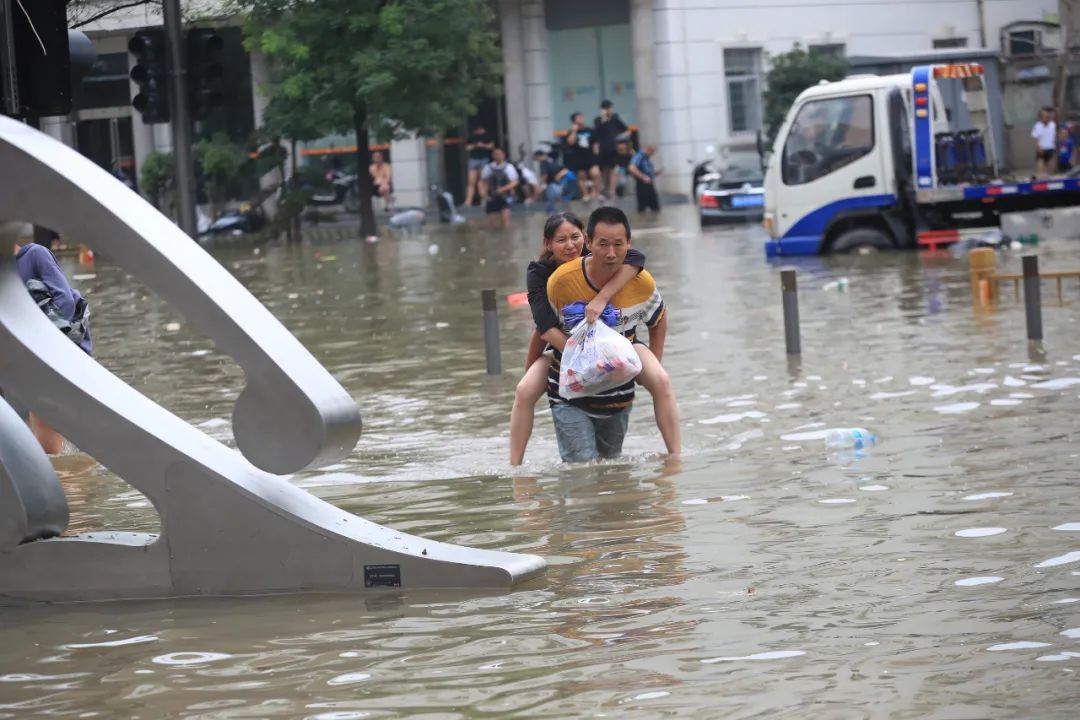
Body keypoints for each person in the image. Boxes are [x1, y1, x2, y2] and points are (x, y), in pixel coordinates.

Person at [508, 208, 680, 464]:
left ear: (584, 239)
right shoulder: (544, 276)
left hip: (621, 342)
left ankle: (676, 458)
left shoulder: (606, 255)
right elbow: (542, 329)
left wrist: (602, 297)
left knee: (661, 379)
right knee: (524, 390)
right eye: (561, 240)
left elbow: (637, 259)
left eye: (574, 237)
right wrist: (581, 355)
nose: (570, 246)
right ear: (548, 245)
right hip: (564, 345)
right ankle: (515, 466)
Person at [13, 235, 92, 454]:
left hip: (55, 353)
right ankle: (69, 480)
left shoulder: (34, 255)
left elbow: (64, 301)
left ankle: (71, 481)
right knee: (44, 432)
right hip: (27, 361)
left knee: (52, 424)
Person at [593, 100, 629, 200]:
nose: (609, 110)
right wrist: (603, 119)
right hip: (602, 149)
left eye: (610, 108)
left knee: (613, 170)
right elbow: (596, 132)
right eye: (606, 108)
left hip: (613, 148)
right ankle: (605, 189)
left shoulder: (615, 119)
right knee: (603, 170)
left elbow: (626, 130)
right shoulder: (598, 120)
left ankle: (612, 191)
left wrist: (619, 138)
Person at [565, 112, 601, 202]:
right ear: (574, 121)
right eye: (578, 118)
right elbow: (570, 142)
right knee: (582, 176)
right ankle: (585, 195)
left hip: (590, 156)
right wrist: (574, 131)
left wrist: (596, 156)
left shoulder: (590, 130)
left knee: (595, 174)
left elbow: (595, 144)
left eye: (581, 117)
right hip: (578, 157)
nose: (581, 119)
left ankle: (597, 193)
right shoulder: (571, 131)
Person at [480, 147, 519, 228]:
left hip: (505, 196)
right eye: (495, 154)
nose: (498, 156)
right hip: (492, 196)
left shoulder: (509, 167)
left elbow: (515, 182)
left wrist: (504, 188)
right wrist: (482, 193)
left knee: (506, 221)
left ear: (503, 155)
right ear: (493, 156)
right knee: (492, 224)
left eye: (499, 154)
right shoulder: (488, 167)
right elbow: (483, 181)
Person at [533, 148, 577, 214]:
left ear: (538, 156)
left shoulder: (543, 162)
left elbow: (544, 175)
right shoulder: (552, 160)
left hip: (554, 185)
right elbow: (563, 169)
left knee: (551, 206)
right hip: (563, 183)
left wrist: (541, 185)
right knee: (562, 202)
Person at [465, 126, 494, 207]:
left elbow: (491, 146)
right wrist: (475, 145)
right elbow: (467, 148)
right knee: (471, 181)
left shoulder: (487, 136)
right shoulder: (471, 137)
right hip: (473, 159)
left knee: (482, 180)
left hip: (484, 159)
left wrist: (482, 145)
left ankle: (483, 199)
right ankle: (468, 201)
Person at [628, 144, 661, 212]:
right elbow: (631, 168)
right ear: (648, 149)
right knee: (642, 208)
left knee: (655, 207)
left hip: (649, 184)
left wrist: (655, 173)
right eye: (652, 152)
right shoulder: (639, 156)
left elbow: (647, 170)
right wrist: (643, 177)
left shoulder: (646, 158)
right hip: (642, 185)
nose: (652, 154)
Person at [1032, 107, 1056, 178]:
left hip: (1050, 149)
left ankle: (1050, 179)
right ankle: (1041, 180)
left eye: (1047, 115)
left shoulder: (1053, 125)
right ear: (1041, 117)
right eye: (1043, 115)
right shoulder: (1037, 126)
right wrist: (1039, 147)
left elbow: (1054, 137)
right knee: (1041, 171)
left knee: (1051, 171)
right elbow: (1036, 139)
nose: (1045, 117)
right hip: (1041, 149)